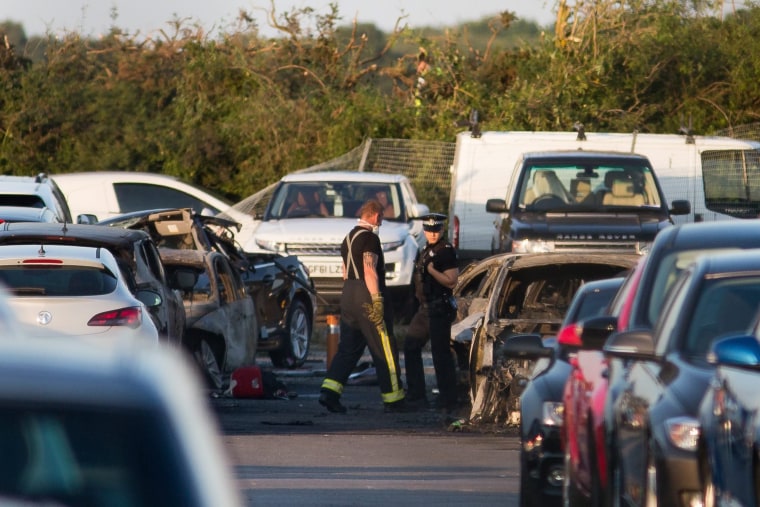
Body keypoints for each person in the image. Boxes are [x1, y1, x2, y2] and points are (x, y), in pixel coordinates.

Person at [319, 199, 406, 413]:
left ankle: (329, 392)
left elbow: (344, 269)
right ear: (376, 216)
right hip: (366, 294)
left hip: (348, 294)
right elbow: (369, 271)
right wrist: (376, 300)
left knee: (348, 348)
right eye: (382, 218)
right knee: (383, 346)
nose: (382, 222)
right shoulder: (369, 238)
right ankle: (394, 399)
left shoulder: (348, 237)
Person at [403, 213, 460, 413]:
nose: (432, 234)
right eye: (428, 230)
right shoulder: (426, 249)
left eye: (435, 230)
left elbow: (452, 280)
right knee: (410, 346)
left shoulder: (445, 251)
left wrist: (432, 270)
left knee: (440, 353)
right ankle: (417, 394)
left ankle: (447, 398)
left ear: (441, 230)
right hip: (425, 308)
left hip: (439, 308)